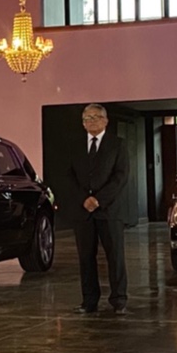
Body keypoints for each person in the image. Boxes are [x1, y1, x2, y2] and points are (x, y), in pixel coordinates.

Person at [65, 103, 130, 315]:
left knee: (115, 256)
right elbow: (69, 176)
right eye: (87, 118)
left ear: (105, 121)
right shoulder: (74, 145)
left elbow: (120, 176)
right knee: (86, 257)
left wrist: (99, 200)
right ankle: (89, 301)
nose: (91, 122)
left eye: (95, 117)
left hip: (109, 210)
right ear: (83, 123)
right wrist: (84, 199)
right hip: (83, 211)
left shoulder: (117, 144)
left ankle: (118, 300)